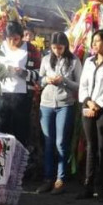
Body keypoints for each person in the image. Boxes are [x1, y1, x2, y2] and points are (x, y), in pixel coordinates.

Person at [36, 32, 82, 195]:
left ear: (66, 46)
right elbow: (39, 79)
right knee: (48, 142)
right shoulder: (46, 59)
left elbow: (79, 85)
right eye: (54, 48)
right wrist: (45, 81)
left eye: (60, 48)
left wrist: (63, 81)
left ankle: (60, 179)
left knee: (61, 142)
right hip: (46, 104)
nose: (57, 51)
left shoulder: (74, 60)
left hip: (65, 104)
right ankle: (48, 179)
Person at [77, 29, 103, 202]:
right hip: (88, 106)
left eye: (97, 41)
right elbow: (83, 85)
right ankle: (88, 186)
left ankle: (101, 187)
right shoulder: (88, 62)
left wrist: (98, 105)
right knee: (91, 147)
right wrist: (88, 102)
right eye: (93, 41)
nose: (94, 44)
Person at [0, 21, 41, 145]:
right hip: (2, 93)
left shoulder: (30, 49)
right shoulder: (0, 47)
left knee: (20, 131)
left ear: (21, 36)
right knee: (1, 128)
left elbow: (39, 72)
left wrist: (24, 73)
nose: (12, 42)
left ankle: (18, 159)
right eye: (9, 39)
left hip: (22, 95)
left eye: (16, 39)